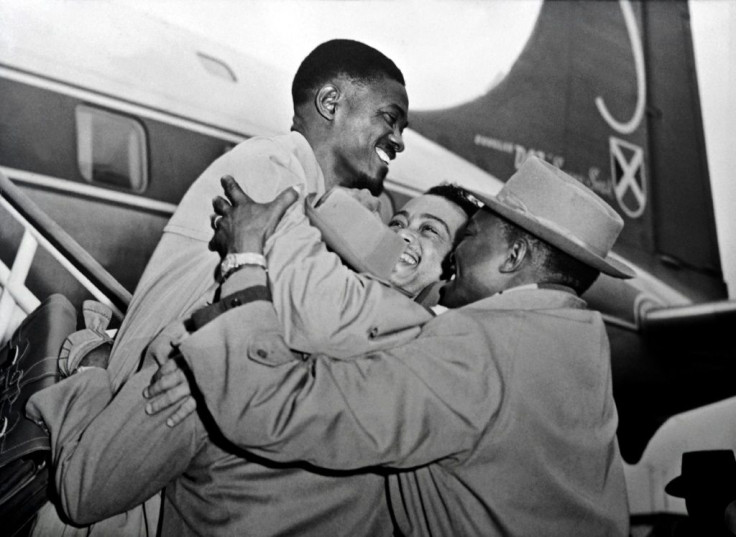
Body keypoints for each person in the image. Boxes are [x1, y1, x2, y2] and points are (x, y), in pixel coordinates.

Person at [27, 38, 436, 537]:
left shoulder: (299, 190)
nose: (397, 140)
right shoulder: (272, 169)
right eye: (389, 118)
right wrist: (440, 332)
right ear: (331, 104)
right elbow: (319, 313)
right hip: (135, 439)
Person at [163, 156, 633, 536]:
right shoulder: (577, 345)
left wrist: (245, 259)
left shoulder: (479, 347)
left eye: (469, 236)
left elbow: (272, 410)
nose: (455, 255)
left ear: (514, 257)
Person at [26, 184, 476, 536]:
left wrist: (90, 378)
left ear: (449, 277)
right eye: (396, 221)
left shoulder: (235, 341)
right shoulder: (433, 391)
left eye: (428, 230)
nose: (400, 234)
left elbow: (85, 488)